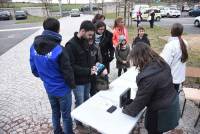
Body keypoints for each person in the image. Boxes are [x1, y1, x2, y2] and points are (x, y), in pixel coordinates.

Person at [30, 18, 75, 134]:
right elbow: (68, 73)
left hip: (49, 87)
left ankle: (57, 131)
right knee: (66, 116)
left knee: (55, 112)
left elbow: (34, 70)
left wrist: (46, 77)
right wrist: (72, 85)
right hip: (63, 90)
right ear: (58, 30)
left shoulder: (33, 46)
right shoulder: (60, 50)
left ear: (44, 28)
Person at [123, 42, 180, 134]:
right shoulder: (161, 62)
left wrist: (126, 109)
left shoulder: (148, 77)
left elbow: (140, 102)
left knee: (154, 131)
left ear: (138, 58)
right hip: (171, 101)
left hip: (160, 111)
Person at [65, 20, 96, 127]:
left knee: (87, 100)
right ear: (82, 31)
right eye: (89, 34)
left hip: (88, 79)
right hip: (78, 82)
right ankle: (78, 122)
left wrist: (93, 66)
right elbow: (71, 66)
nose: (91, 37)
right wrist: (88, 70)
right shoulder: (70, 45)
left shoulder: (85, 41)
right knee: (80, 101)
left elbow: (88, 58)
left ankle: (84, 117)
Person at [160, 23, 188, 92]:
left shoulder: (170, 45)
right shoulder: (185, 42)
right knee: (175, 95)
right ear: (181, 32)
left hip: (171, 78)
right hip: (179, 76)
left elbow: (164, 62)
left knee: (170, 98)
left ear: (171, 31)